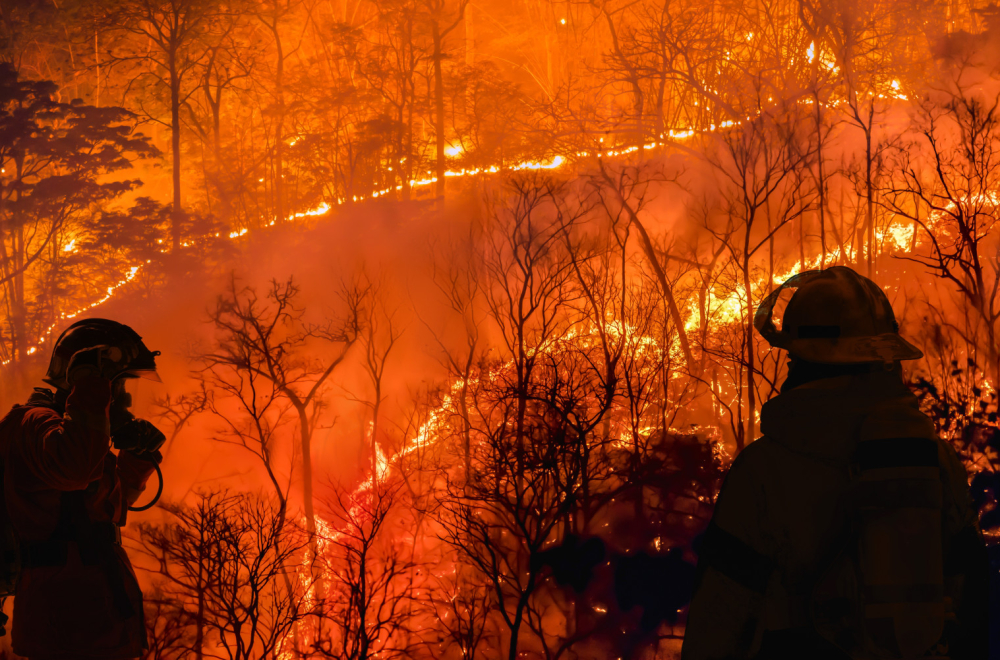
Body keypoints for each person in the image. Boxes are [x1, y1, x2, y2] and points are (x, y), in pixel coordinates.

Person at [681, 266, 989, 660]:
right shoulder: (933, 458)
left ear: (800, 362)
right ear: (884, 359)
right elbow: (974, 598)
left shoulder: (762, 472)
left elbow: (718, 619)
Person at [0, 318, 167, 660]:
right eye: (117, 385)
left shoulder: (75, 434)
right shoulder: (36, 425)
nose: (123, 397)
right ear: (80, 379)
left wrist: (138, 457)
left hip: (95, 622)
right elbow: (74, 474)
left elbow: (103, 515)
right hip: (66, 624)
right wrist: (91, 390)